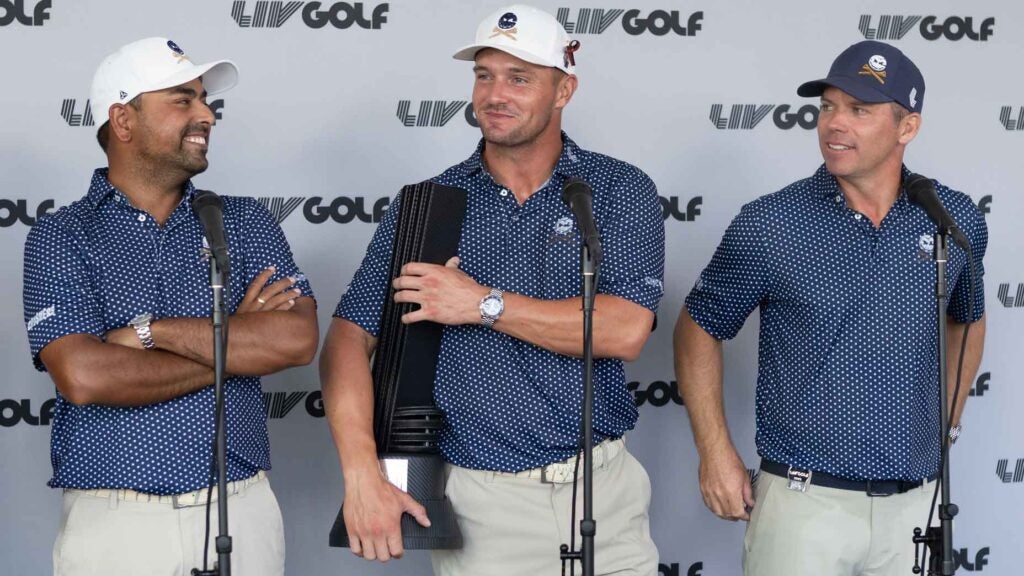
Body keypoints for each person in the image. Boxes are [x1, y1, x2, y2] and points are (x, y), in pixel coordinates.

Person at [320, 4, 664, 574]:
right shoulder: (428, 204)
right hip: (481, 504)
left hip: (605, 492)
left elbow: (625, 330)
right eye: (485, 76)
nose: (495, 94)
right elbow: (347, 342)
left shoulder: (614, 188)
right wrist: (361, 476)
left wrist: (481, 303)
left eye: (519, 78)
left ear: (564, 90)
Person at [674, 40, 987, 576]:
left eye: (859, 110)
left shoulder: (953, 218)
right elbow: (698, 326)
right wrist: (715, 452)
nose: (833, 124)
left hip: (918, 505)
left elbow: (968, 315)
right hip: (803, 506)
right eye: (828, 107)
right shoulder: (770, 222)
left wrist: (949, 423)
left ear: (906, 127)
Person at [22, 37, 318, 576]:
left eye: (203, 99)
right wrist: (235, 339)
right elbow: (86, 375)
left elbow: (295, 341)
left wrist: (147, 332)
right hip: (115, 521)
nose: (206, 114)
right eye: (182, 100)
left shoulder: (245, 222)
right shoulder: (61, 235)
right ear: (123, 119)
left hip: (241, 509)